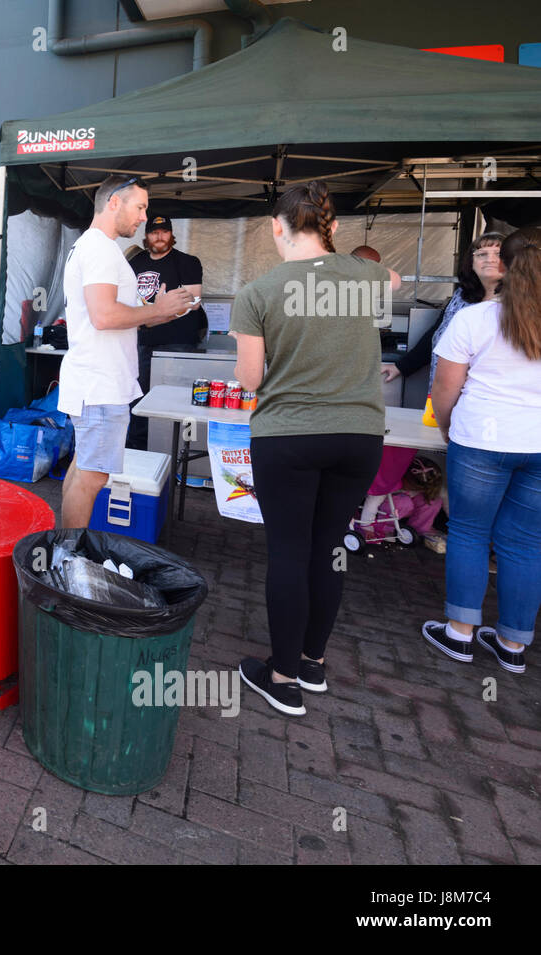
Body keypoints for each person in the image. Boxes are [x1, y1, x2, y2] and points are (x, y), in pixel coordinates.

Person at [229, 180, 401, 716]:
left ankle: (281, 680)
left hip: (289, 435)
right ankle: (311, 663)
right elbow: (394, 277)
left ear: (277, 227)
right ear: (331, 228)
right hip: (359, 436)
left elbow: (251, 379)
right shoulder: (366, 276)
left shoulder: (258, 292)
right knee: (329, 547)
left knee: (288, 551)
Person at [421, 226, 541, 674]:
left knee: (470, 534)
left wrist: (450, 430)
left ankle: (459, 634)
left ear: (504, 266)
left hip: (481, 441)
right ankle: (512, 643)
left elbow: (444, 389)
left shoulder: (474, 319)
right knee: (526, 544)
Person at [58, 175, 194, 528]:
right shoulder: (101, 249)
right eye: (140, 207)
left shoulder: (94, 247)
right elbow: (103, 316)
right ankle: (68, 558)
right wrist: (157, 310)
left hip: (94, 381)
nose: (144, 218)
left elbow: (121, 316)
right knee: (92, 478)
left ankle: (63, 550)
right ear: (114, 202)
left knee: (82, 470)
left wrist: (159, 309)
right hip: (100, 384)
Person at [381, 232, 505, 386]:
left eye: (498, 254)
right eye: (481, 254)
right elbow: (438, 334)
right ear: (471, 262)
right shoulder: (461, 296)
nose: (490, 259)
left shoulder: (517, 303)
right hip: (443, 391)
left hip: (483, 395)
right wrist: (402, 366)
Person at [127, 214, 206, 449]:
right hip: (141, 341)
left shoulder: (187, 262)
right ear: (146, 236)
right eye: (154, 232)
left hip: (177, 343)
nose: (159, 237)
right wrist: (153, 312)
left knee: (172, 400)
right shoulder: (135, 262)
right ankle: (138, 451)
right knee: (138, 398)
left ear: (171, 235)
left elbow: (193, 302)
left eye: (164, 232)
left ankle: (168, 453)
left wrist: (153, 313)